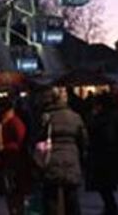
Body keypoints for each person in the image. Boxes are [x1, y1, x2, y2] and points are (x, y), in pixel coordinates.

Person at [39, 87, 88, 215]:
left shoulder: (46, 117)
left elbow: (39, 138)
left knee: (51, 198)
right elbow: (84, 140)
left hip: (51, 159)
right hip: (71, 159)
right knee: (72, 197)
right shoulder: (75, 117)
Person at [0, 96, 30, 215]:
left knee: (16, 195)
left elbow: (21, 142)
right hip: (6, 163)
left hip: (15, 163)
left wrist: (5, 147)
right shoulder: (2, 123)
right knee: (10, 195)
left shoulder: (15, 122)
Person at [86, 94, 118, 215]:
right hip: (107, 155)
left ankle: (111, 207)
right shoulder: (110, 117)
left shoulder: (102, 119)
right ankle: (110, 206)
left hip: (102, 155)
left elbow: (97, 132)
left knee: (104, 185)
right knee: (105, 186)